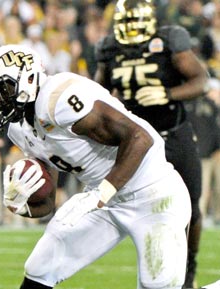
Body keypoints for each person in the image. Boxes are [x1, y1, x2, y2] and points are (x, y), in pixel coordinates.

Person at [0, 44, 191, 288]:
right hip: (103, 200)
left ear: (27, 79)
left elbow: (139, 138)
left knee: (158, 286)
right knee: (40, 268)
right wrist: (22, 204)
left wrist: (101, 193)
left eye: (2, 90)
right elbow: (47, 204)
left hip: (152, 193)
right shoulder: (19, 129)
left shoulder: (59, 99)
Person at [93, 1, 208, 287]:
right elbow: (98, 93)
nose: (130, 29)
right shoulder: (109, 49)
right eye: (126, 22)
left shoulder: (168, 41)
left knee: (191, 206)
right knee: (137, 210)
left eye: (136, 22)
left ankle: (189, 270)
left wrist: (168, 93)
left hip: (173, 133)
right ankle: (156, 269)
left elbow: (200, 81)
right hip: (136, 144)